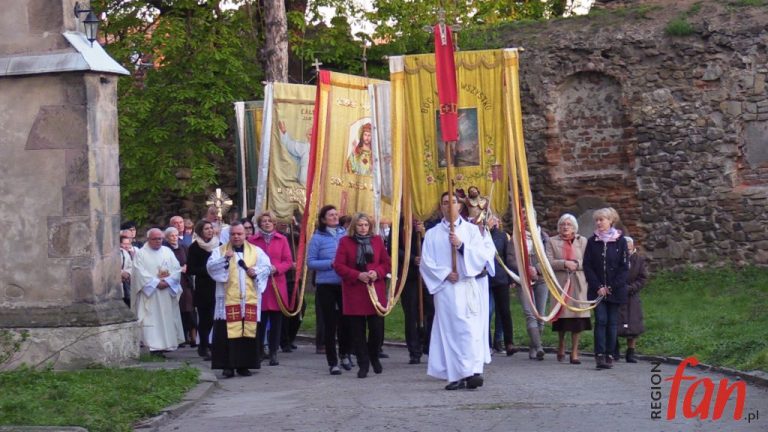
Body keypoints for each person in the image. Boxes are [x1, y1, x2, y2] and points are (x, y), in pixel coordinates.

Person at [420, 192, 496, 390]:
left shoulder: (471, 231)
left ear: (460, 206)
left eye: (453, 202)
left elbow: (481, 257)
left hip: (467, 286)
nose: (449, 206)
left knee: (469, 330)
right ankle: (456, 375)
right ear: (441, 207)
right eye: (445, 203)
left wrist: (461, 246)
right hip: (446, 289)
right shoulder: (432, 234)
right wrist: (445, 273)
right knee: (451, 332)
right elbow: (426, 263)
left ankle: (471, 371)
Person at [206, 222, 272, 378]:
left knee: (247, 333)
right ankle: (227, 366)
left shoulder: (256, 251)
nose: (236, 236)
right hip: (228, 301)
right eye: (233, 234)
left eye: (239, 234)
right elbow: (211, 269)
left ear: (245, 235)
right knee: (226, 333)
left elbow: (267, 267)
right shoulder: (219, 251)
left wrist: (254, 271)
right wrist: (224, 260)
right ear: (229, 235)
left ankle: (244, 365)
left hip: (248, 300)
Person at [333, 213, 391, 378]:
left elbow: (386, 263)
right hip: (355, 291)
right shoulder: (345, 242)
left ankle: (374, 355)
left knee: (376, 329)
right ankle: (363, 363)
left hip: (374, 291)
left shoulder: (377, 240)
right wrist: (357, 275)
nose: (363, 228)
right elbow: (338, 265)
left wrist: (376, 272)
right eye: (360, 225)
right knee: (357, 332)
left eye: (366, 225)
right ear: (354, 227)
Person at [307, 205, 352, 375]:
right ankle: (332, 361)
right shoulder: (317, 238)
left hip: (344, 283)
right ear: (324, 219)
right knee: (330, 323)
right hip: (326, 284)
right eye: (330, 215)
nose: (334, 217)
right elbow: (310, 262)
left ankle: (345, 354)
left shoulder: (345, 235)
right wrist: (330, 263)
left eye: (335, 214)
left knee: (346, 320)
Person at [583, 207, 629, 370]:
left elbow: (624, 268)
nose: (599, 222)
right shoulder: (592, 241)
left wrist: (611, 286)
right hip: (598, 290)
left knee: (612, 322)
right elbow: (587, 266)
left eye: (602, 219)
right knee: (601, 320)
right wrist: (598, 286)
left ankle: (610, 353)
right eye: (597, 220)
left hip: (615, 290)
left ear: (611, 221)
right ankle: (599, 355)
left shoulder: (621, 241)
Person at [247, 211, 293, 366]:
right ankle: (259, 351)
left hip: (276, 284)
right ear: (259, 224)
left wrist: (276, 268)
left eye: (269, 221)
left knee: (276, 321)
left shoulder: (282, 240)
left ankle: (274, 352)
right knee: (259, 320)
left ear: (274, 223)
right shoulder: (252, 240)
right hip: (259, 285)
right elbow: (248, 259)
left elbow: (288, 261)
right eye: (263, 221)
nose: (266, 223)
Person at [545, 213, 591, 365]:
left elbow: (589, 261)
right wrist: (564, 263)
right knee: (562, 318)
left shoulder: (583, 241)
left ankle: (575, 351)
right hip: (561, 283)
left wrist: (576, 264)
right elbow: (548, 262)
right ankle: (561, 343)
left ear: (574, 227)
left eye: (569, 224)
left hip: (578, 283)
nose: (565, 227)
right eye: (563, 224)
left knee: (578, 319)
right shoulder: (552, 241)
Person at [131, 228, 185, 355]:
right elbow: (139, 273)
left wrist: (167, 282)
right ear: (148, 239)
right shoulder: (141, 254)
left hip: (166, 292)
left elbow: (177, 269)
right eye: (154, 239)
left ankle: (166, 345)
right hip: (151, 294)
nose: (158, 241)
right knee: (151, 319)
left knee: (166, 318)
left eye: (160, 238)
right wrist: (156, 283)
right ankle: (152, 346)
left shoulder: (167, 251)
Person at [506, 208, 550, 360]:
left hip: (541, 280)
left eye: (528, 215)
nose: (525, 218)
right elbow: (510, 259)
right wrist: (525, 269)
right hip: (523, 281)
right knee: (529, 313)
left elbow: (548, 257)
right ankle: (539, 347)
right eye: (522, 216)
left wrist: (537, 269)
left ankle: (533, 345)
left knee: (540, 314)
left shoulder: (543, 237)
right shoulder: (516, 238)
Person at [400, 219, 433, 364]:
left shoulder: (431, 223)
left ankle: (429, 345)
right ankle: (414, 350)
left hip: (430, 276)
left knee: (432, 312)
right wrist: (413, 259)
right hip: (410, 276)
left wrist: (423, 234)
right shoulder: (401, 224)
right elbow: (394, 250)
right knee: (411, 314)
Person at [187, 220, 220, 360]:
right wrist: (208, 270)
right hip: (203, 286)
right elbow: (191, 268)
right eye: (206, 228)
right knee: (205, 319)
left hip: (217, 285)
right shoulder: (195, 247)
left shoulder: (218, 245)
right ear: (200, 231)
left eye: (211, 228)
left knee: (216, 317)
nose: (209, 231)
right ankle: (204, 345)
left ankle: (214, 345)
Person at [486, 215, 516, 356]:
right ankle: (487, 343)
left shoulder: (502, 236)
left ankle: (507, 341)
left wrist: (511, 278)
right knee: (487, 311)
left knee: (504, 311)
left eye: (494, 219)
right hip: (485, 278)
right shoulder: (479, 233)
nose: (493, 221)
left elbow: (507, 257)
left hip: (501, 277)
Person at [616, 236, 648, 363]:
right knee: (616, 323)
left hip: (632, 296)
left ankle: (631, 352)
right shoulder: (616, 259)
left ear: (633, 247)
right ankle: (614, 350)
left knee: (633, 324)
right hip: (617, 294)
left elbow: (642, 278)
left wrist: (631, 288)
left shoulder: (639, 260)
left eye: (628, 249)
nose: (626, 251)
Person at [164, 227, 196, 348]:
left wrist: (187, 267)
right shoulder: (165, 249)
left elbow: (190, 261)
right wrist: (178, 269)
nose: (174, 238)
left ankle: (193, 336)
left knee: (189, 308)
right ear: (167, 237)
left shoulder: (183, 247)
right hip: (173, 281)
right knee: (177, 309)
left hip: (185, 281)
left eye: (176, 235)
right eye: (171, 236)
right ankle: (180, 337)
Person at [278, 120, 311, 185]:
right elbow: (289, 145)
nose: (312, 136)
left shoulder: (323, 148)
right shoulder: (304, 147)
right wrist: (284, 131)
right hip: (304, 182)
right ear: (307, 135)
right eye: (310, 134)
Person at [120, 235, 134, 307]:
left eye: (128, 244)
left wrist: (128, 273)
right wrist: (121, 273)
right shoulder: (116, 252)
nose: (126, 246)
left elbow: (130, 266)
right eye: (124, 244)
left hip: (126, 282)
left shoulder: (126, 253)